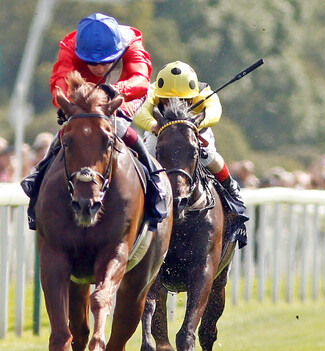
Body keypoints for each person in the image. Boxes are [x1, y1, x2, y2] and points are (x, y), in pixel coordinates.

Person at [19, 13, 167, 230]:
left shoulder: (131, 42)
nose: (98, 68)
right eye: (91, 62)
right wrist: (66, 105)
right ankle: (39, 176)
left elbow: (141, 81)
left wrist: (114, 90)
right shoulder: (70, 45)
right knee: (75, 127)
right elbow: (60, 80)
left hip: (124, 91)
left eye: (105, 61)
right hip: (84, 94)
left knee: (119, 125)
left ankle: (154, 180)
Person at [134, 60, 247, 219]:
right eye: (166, 101)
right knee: (149, 154)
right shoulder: (152, 90)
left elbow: (215, 111)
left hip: (195, 130)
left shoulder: (203, 90)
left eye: (183, 101)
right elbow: (140, 111)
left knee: (207, 154)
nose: (176, 104)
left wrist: (199, 123)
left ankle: (231, 189)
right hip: (160, 133)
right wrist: (153, 125)